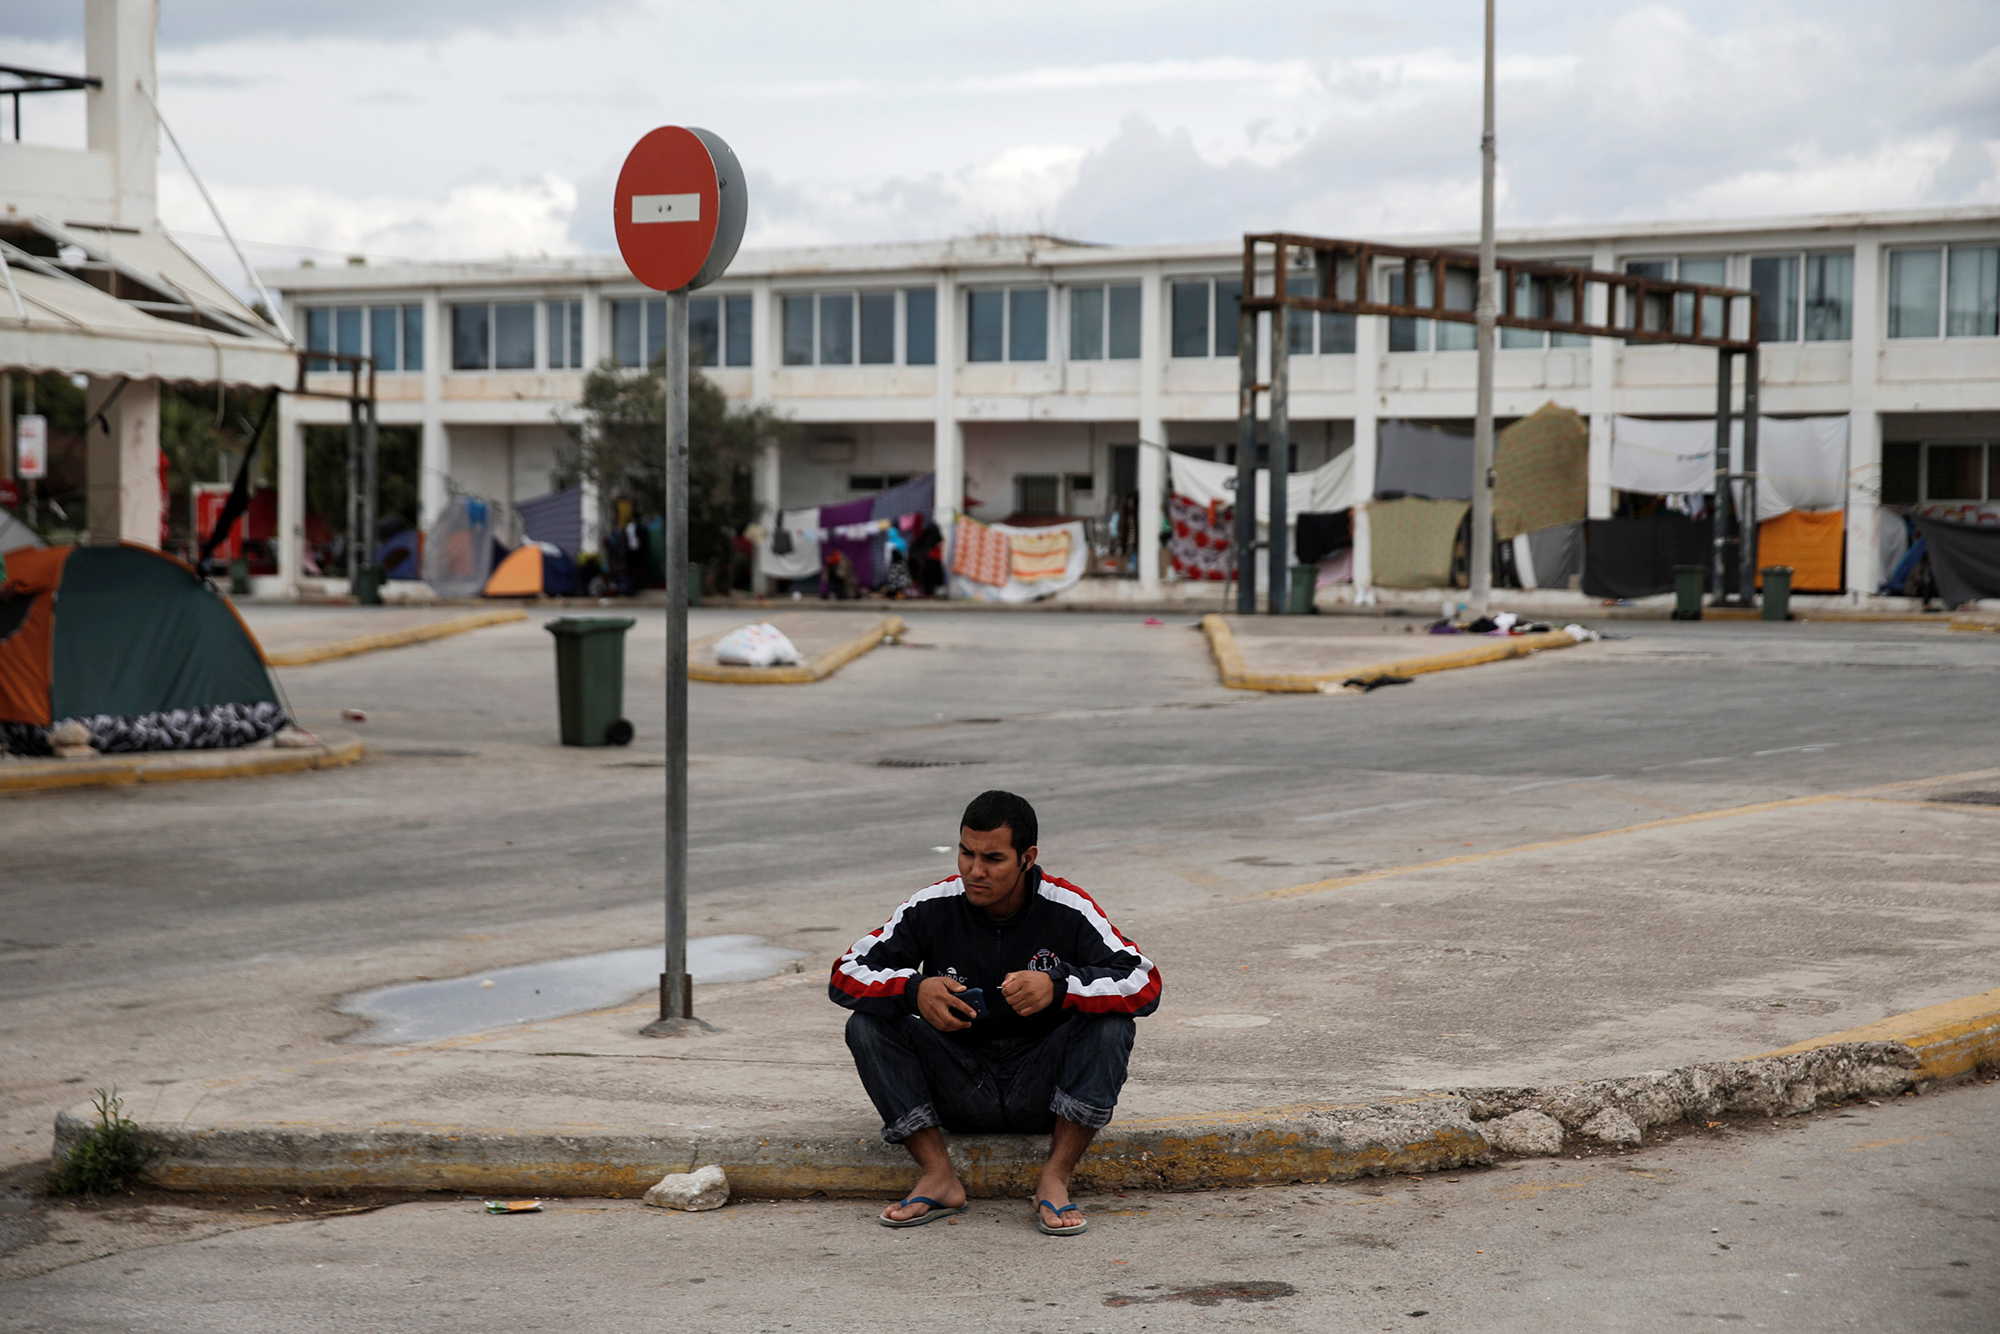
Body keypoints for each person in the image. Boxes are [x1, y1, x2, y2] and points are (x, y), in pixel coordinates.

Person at [830, 790, 1161, 1234]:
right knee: (866, 1024)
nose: (974, 870)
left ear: (1027, 858)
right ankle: (937, 1175)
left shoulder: (1068, 908)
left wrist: (1060, 986)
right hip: (959, 1083)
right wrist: (914, 991)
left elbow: (1143, 980)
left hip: (1042, 1089)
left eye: (993, 858)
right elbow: (845, 972)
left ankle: (1055, 1177)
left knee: (1111, 1023)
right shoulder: (931, 905)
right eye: (966, 853)